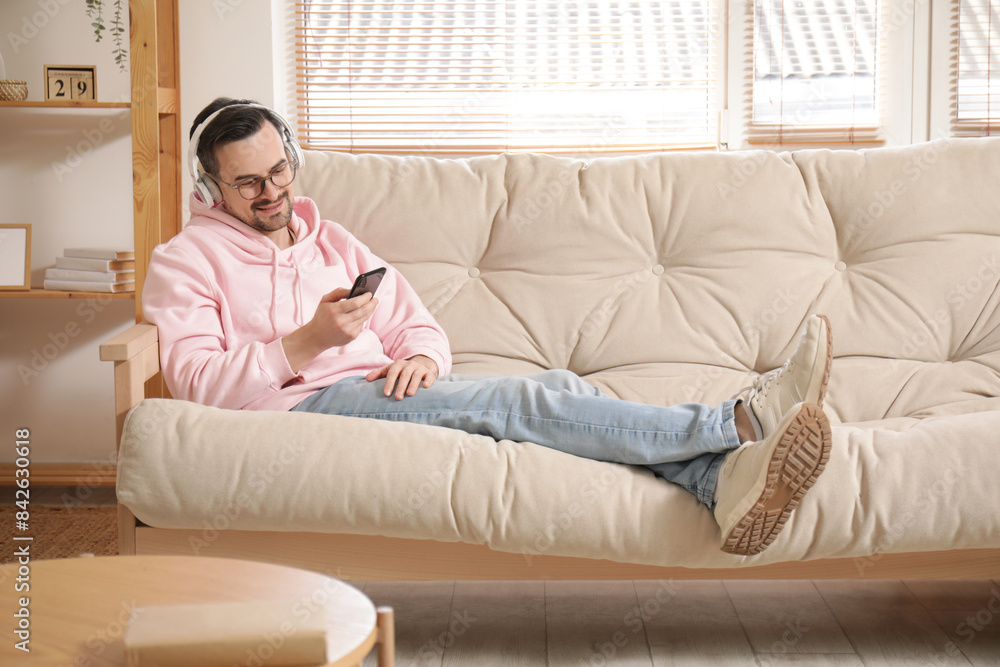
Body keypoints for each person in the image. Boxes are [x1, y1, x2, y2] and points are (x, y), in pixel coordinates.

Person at [143, 97, 834, 556]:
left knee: (557, 385)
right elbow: (198, 385)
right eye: (249, 184)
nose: (273, 193)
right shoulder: (185, 260)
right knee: (517, 400)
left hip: (376, 389)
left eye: (280, 171)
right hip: (299, 407)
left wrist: (421, 357)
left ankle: (715, 484)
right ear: (210, 190)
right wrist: (308, 341)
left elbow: (415, 323)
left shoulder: (330, 239)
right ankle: (733, 423)